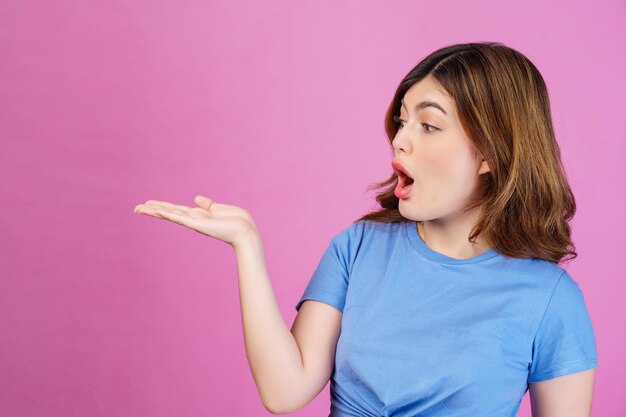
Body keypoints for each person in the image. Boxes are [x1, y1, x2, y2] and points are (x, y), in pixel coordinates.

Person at [133, 41, 598, 416]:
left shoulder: (551, 300)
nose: (400, 139)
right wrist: (246, 246)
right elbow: (284, 391)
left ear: (492, 153)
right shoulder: (357, 248)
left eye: (429, 125)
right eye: (401, 121)